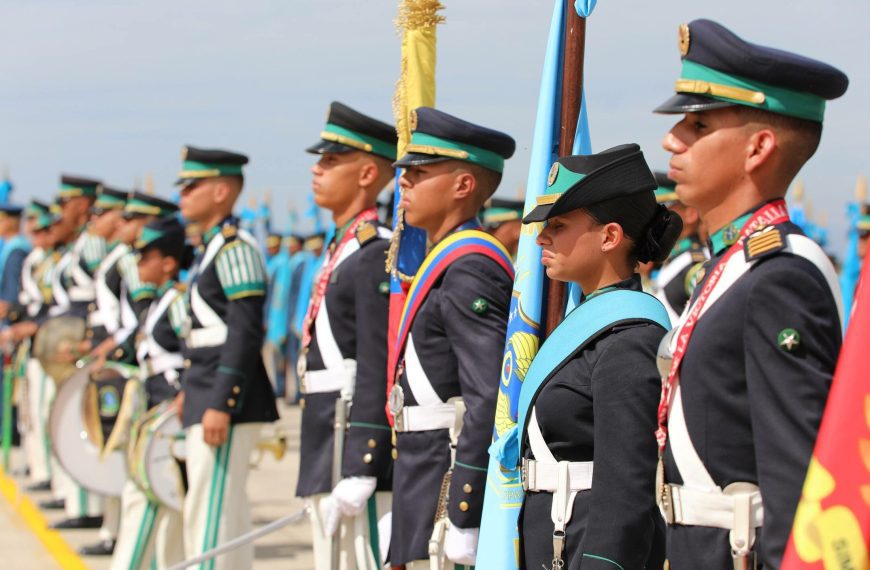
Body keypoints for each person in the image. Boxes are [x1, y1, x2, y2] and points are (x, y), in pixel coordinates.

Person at [654, 19, 847, 569]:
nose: (672, 139)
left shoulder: (778, 276)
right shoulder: (730, 264)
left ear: (758, 148)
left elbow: (798, 475)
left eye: (698, 124)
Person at [515, 145, 679, 569]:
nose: (541, 237)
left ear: (609, 236)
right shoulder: (586, 321)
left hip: (582, 547)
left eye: (558, 225)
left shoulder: (630, 339)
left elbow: (626, 490)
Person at [389, 107, 515, 567]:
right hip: (422, 475)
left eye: (420, 172)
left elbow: (489, 396)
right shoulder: (444, 259)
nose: (404, 181)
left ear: (463, 185)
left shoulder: (469, 268)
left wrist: (466, 509)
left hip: (444, 484)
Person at [295, 101, 396, 568]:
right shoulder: (345, 247)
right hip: (327, 435)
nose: (317, 169)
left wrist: (364, 462)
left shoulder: (374, 252)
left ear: (367, 174)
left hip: (349, 439)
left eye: (332, 160)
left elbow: (378, 361)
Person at [175, 145, 278, 569]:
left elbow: (245, 330)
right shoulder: (213, 248)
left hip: (225, 399)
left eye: (191, 187)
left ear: (221, 191)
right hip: (205, 390)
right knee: (221, 513)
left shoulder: (236, 248)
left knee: (210, 515)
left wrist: (222, 401)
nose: (182, 195)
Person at [110, 214, 189, 570]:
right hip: (153, 410)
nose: (138, 263)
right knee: (158, 508)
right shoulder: (159, 301)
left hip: (169, 415)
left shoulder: (177, 301)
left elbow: (193, 354)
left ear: (169, 263)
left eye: (145, 257)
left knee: (150, 502)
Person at [651, 172, 705, 322]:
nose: (656, 218)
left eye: (665, 210)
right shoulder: (675, 259)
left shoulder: (695, 264)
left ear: (691, 214)